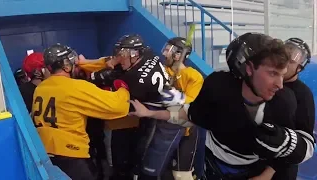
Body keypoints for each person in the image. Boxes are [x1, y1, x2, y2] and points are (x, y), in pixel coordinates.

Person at [128, 32, 311, 179]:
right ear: (248, 68)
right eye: (272, 73)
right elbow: (189, 114)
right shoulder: (218, 87)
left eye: (282, 73)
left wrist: (290, 145)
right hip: (213, 166)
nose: (280, 84)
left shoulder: (285, 102)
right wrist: (149, 113)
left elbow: (303, 148)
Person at [78, 34, 186, 180]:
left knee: (148, 167)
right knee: (140, 155)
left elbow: (117, 102)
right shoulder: (148, 53)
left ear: (134, 54)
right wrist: (113, 60)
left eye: (122, 55)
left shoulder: (135, 81)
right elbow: (118, 65)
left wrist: (93, 78)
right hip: (167, 105)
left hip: (172, 119)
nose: (119, 58)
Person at [31, 44, 130, 180]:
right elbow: (117, 106)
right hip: (71, 155)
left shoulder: (40, 88)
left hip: (46, 152)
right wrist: (123, 87)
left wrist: (104, 63)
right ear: (66, 66)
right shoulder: (76, 87)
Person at [267, 37, 315, 179]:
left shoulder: (303, 95)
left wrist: (268, 173)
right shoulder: (266, 82)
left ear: (299, 68)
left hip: (281, 171)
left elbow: (303, 142)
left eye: (291, 61)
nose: (284, 63)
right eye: (282, 57)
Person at [161, 37, 204, 180]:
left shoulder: (194, 77)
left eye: (168, 50)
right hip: (163, 129)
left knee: (181, 174)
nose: (164, 53)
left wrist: (173, 97)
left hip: (185, 131)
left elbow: (189, 107)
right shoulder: (161, 70)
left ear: (178, 55)